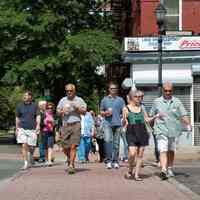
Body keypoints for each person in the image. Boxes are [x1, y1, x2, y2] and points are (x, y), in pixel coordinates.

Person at [149, 82, 191, 180]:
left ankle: (170, 168)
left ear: (173, 90)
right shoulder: (157, 101)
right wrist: (151, 128)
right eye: (166, 90)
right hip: (160, 130)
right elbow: (151, 115)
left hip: (174, 130)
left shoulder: (177, 102)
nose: (168, 92)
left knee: (171, 150)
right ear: (162, 90)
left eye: (170, 91)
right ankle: (163, 170)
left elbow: (183, 115)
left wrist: (188, 124)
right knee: (163, 149)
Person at [122, 90, 156, 181]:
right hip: (131, 131)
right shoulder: (126, 108)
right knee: (132, 153)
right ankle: (130, 169)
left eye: (141, 97)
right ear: (132, 97)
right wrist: (124, 120)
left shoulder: (142, 107)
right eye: (137, 97)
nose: (139, 98)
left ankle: (137, 174)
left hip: (142, 131)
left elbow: (147, 120)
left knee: (140, 154)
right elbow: (124, 122)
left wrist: (156, 116)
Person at [57, 83, 87, 174]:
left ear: (74, 91)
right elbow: (58, 112)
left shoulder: (79, 100)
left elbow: (84, 112)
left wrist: (77, 108)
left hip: (76, 124)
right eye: (67, 91)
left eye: (71, 91)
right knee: (64, 147)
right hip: (65, 124)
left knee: (73, 146)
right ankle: (70, 159)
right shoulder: (63, 100)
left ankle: (71, 165)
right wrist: (62, 111)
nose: (69, 92)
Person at [100, 82, 125, 169]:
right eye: (111, 88)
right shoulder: (104, 100)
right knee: (107, 141)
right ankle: (109, 160)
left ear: (116, 90)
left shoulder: (120, 100)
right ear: (109, 90)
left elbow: (124, 111)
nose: (113, 90)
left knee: (116, 143)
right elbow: (101, 112)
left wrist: (124, 119)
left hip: (118, 124)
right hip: (107, 123)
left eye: (115, 88)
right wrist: (106, 113)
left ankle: (115, 161)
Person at [15, 91, 40, 170]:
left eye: (26, 95)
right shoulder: (19, 106)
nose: (24, 96)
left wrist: (38, 125)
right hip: (22, 128)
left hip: (32, 129)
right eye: (24, 95)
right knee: (24, 145)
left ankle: (31, 156)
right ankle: (26, 163)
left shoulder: (35, 106)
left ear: (30, 97)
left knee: (32, 147)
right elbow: (17, 118)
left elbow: (38, 116)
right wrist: (16, 128)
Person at [40, 102, 55, 166]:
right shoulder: (43, 115)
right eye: (48, 108)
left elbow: (57, 124)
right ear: (46, 109)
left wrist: (53, 123)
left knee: (50, 146)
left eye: (51, 108)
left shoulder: (54, 116)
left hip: (51, 133)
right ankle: (46, 159)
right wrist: (45, 123)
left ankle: (49, 160)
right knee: (45, 147)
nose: (50, 109)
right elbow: (40, 124)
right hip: (44, 132)